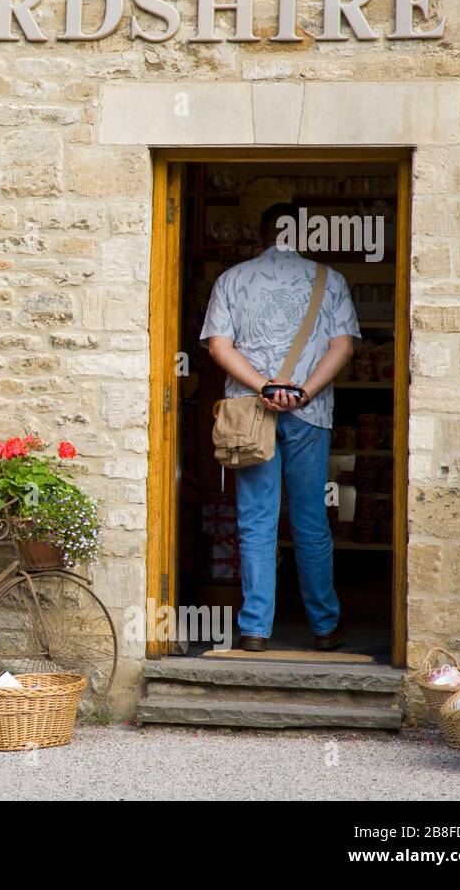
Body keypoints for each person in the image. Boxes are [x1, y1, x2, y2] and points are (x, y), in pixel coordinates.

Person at [200, 202, 361, 653]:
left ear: (261, 235)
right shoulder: (331, 280)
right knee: (311, 521)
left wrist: (266, 387)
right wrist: (303, 391)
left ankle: (254, 629)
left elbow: (218, 347)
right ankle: (325, 626)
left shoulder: (231, 279)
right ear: (307, 236)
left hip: (250, 415)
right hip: (310, 414)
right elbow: (343, 347)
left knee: (256, 520)